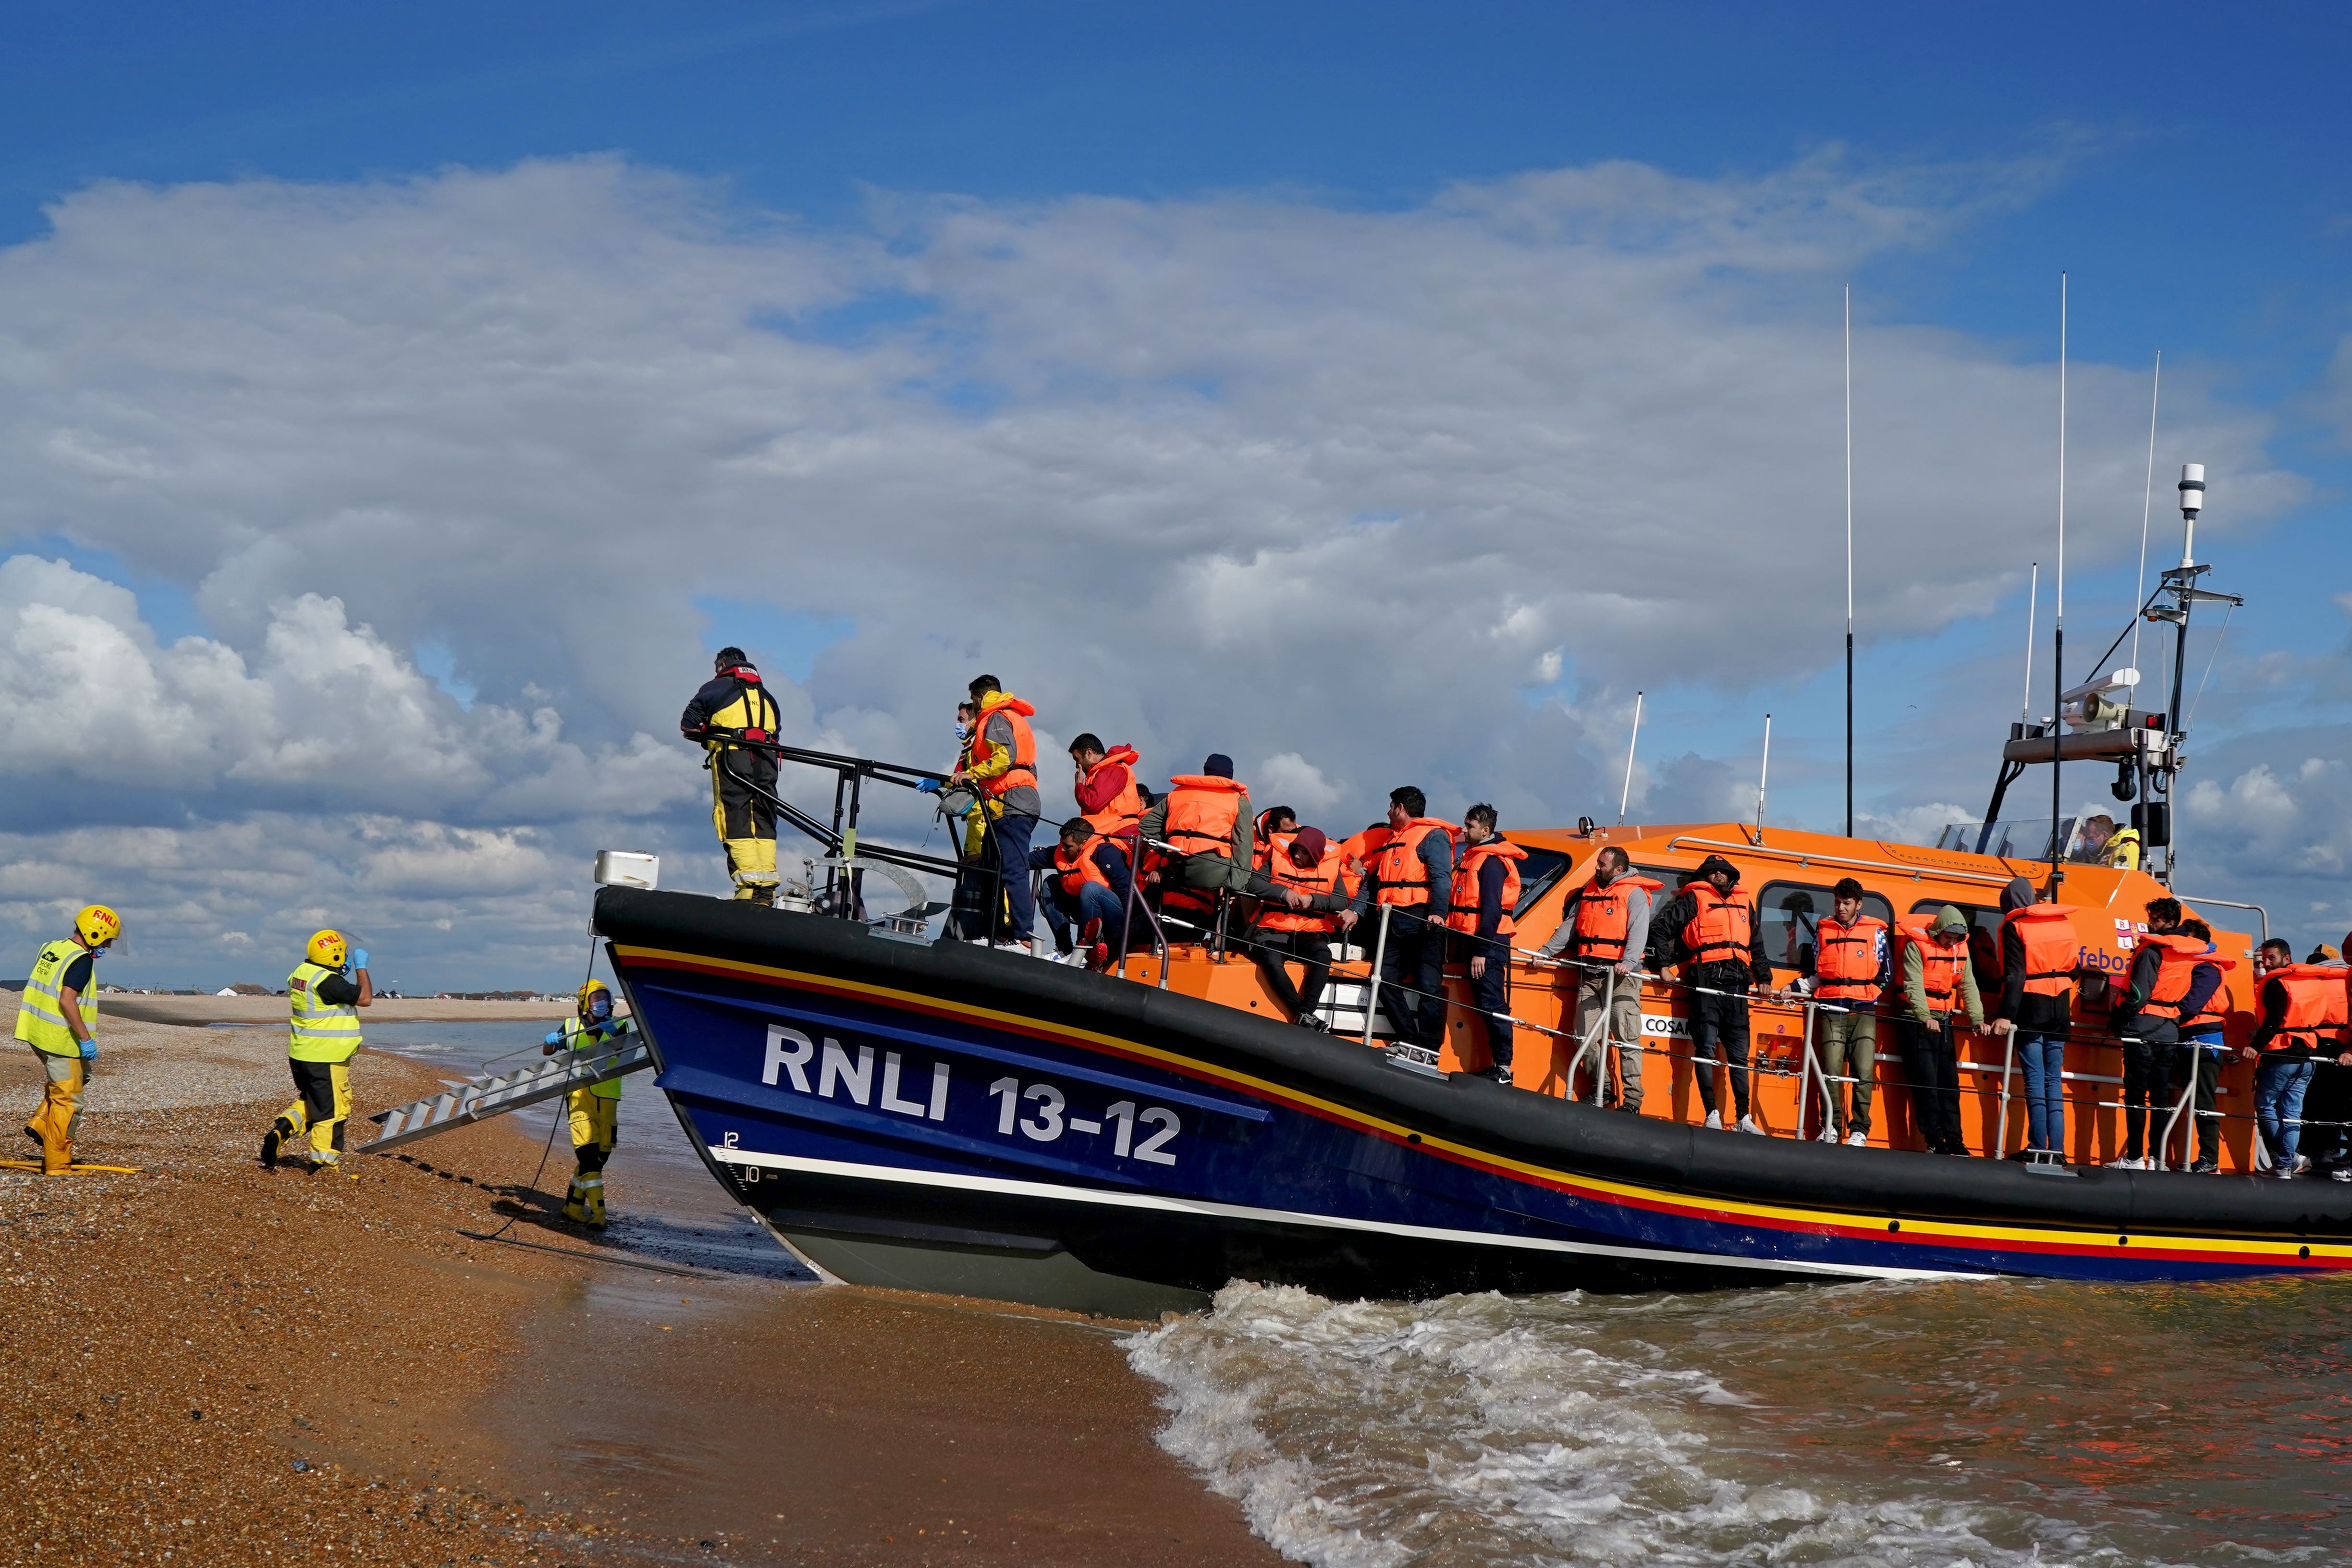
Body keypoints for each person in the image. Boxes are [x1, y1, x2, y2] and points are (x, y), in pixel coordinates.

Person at [1654, 856, 1772, 1133]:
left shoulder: (1745, 902)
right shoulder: (1694, 899)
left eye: (1722, 871)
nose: (1717, 874)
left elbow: (1756, 942)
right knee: (1705, 1050)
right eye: (1711, 871)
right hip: (1706, 981)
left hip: (1738, 984)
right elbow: (1660, 929)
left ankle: (1743, 1118)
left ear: (1731, 875)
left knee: (1739, 1055)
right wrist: (1663, 965)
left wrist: (1765, 978)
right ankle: (1712, 1114)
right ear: (1704, 876)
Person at [1536, 845, 1656, 1113]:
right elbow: (1571, 925)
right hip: (1591, 974)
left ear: (1619, 870)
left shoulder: (1634, 894)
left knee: (1626, 1039)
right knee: (1583, 1036)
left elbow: (1639, 930)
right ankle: (1602, 1090)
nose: (1597, 868)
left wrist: (1628, 961)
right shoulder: (1589, 891)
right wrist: (1545, 952)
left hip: (1621, 977)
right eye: (1598, 863)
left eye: (1602, 864)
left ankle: (1633, 1100)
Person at [2107, 896, 2214, 1169]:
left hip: (2142, 1028)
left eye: (2155, 919)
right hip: (2169, 1031)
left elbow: (2139, 995)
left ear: (2168, 922)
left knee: (2135, 1095)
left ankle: (2133, 1158)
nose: (2149, 923)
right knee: (2160, 1097)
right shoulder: (2188, 953)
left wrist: (2117, 1021)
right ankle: (2158, 1158)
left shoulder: (2151, 951)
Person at [14, 905, 120, 1176]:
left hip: (36, 1032)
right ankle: (58, 1163)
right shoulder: (82, 961)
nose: (108, 944)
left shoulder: (52, 947)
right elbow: (67, 1000)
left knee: (81, 1075)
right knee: (69, 1099)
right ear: (95, 934)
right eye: (108, 939)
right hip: (59, 1039)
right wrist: (85, 1038)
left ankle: (41, 1125)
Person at [261, 931, 373, 1175]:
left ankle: (282, 1130)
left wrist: (336, 973)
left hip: (302, 1053)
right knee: (333, 1110)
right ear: (332, 956)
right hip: (327, 1057)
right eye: (342, 953)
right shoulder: (328, 981)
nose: (344, 957)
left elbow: (324, 995)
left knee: (314, 1101)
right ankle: (323, 1164)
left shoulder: (302, 973)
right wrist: (361, 969)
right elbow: (364, 998)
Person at [947, 675, 1043, 951]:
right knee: (995, 868)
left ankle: (1023, 936)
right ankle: (1000, 933)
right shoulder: (1011, 717)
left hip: (1013, 804)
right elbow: (1026, 765)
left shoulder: (996, 717)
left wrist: (971, 774)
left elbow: (1005, 757)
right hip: (1007, 803)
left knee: (1013, 870)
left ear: (978, 698)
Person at [1363, 788, 1458, 1050]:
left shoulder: (1433, 836)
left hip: (1424, 921)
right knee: (1382, 979)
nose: (1388, 812)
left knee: (1428, 986)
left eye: (1391, 806)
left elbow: (1442, 878)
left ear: (1401, 808)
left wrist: (1438, 914)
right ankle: (1407, 1039)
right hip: (1392, 921)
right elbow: (1377, 881)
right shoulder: (1395, 840)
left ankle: (1428, 1049)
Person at [1993, 878, 2080, 1162]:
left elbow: (2015, 975)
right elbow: (2075, 969)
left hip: (2031, 1008)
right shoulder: (2062, 922)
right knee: (2053, 1082)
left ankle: (2038, 1149)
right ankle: (2058, 1150)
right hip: (2060, 1008)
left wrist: (2005, 1014)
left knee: (2035, 1081)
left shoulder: (2014, 926)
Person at [1247, 825, 1366, 1028]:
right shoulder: (1276, 858)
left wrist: (1312, 900)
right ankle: (1303, 1013)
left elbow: (1340, 901)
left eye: (1305, 852)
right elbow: (1253, 884)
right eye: (1296, 849)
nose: (1297, 855)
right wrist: (1283, 893)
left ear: (1317, 857)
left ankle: (1305, 1012)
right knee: (1271, 958)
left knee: (1323, 955)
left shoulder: (1331, 867)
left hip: (1309, 932)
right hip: (1273, 930)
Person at [541, 980, 636, 1228]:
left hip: (608, 1098)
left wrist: (613, 1033)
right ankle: (599, 1215)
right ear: (585, 1003)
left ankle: (572, 1207)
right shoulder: (571, 1025)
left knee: (599, 1157)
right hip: (579, 1097)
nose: (601, 1003)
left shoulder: (620, 1025)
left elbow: (624, 1050)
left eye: (605, 998)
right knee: (588, 1157)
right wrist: (551, 1040)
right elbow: (548, 1052)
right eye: (596, 999)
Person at [2243, 938, 2338, 1178]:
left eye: (2271, 958)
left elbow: (2273, 1020)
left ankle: (2288, 1159)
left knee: (2265, 1106)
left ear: (2286, 958)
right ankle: (2286, 1166)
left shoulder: (2277, 983)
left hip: (2281, 1054)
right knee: (2292, 1113)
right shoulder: (2311, 981)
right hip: (2308, 1056)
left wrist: (2255, 1045)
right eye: (2264, 959)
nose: (2267, 963)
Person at [1446, 805, 1527, 1086]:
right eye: (1466, 824)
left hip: (1489, 943)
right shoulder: (1473, 857)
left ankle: (1504, 1068)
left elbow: (1492, 909)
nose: (1465, 830)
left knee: (1492, 1004)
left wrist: (1481, 950)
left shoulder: (1491, 862)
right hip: (1473, 939)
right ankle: (1497, 1064)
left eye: (1470, 826)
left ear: (1485, 830)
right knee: (1484, 1002)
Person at [1894, 906, 1984, 1155]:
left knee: (1949, 1084)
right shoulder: (1916, 947)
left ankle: (1955, 1139)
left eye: (1956, 938)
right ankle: (1934, 1139)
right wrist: (1924, 1017)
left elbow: (1969, 985)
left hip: (1943, 1020)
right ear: (1938, 931)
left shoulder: (1960, 950)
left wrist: (1977, 1018)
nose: (1952, 942)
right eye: (1948, 937)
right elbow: (1913, 984)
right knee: (1926, 1082)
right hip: (1916, 1020)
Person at [1136, 755, 1254, 942]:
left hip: (1176, 869)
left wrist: (1168, 847)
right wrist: (1234, 887)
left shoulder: (1178, 793)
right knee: (1253, 884)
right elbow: (1244, 847)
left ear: (1205, 772)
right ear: (1230, 776)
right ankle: (1226, 943)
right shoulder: (1238, 800)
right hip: (1212, 875)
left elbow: (1146, 825)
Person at [1806, 878, 1888, 1148]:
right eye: (1838, 902)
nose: (1841, 908)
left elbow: (1886, 973)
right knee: (1830, 1070)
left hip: (1863, 1011)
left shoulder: (1875, 932)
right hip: (1831, 1009)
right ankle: (1830, 1126)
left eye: (1847, 903)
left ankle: (1860, 1130)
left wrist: (1869, 993)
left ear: (1858, 904)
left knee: (1864, 1073)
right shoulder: (1822, 931)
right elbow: (1818, 970)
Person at [2168, 918, 2235, 1174]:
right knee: (2193, 1102)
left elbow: (2192, 1004)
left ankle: (2210, 1160)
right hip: (2189, 1039)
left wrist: (2165, 1014)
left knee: (2204, 1103)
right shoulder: (2198, 966)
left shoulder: (2206, 968)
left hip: (2204, 1042)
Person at [1029, 818, 1134, 966]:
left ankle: (1085, 951)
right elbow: (1027, 860)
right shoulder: (1061, 852)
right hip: (1085, 910)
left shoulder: (1105, 853)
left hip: (1114, 915)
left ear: (1083, 843)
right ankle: (1065, 949)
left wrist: (1129, 931)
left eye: (1068, 846)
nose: (1063, 849)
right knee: (1050, 883)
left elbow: (1127, 888)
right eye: (1062, 844)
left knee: (1091, 888)